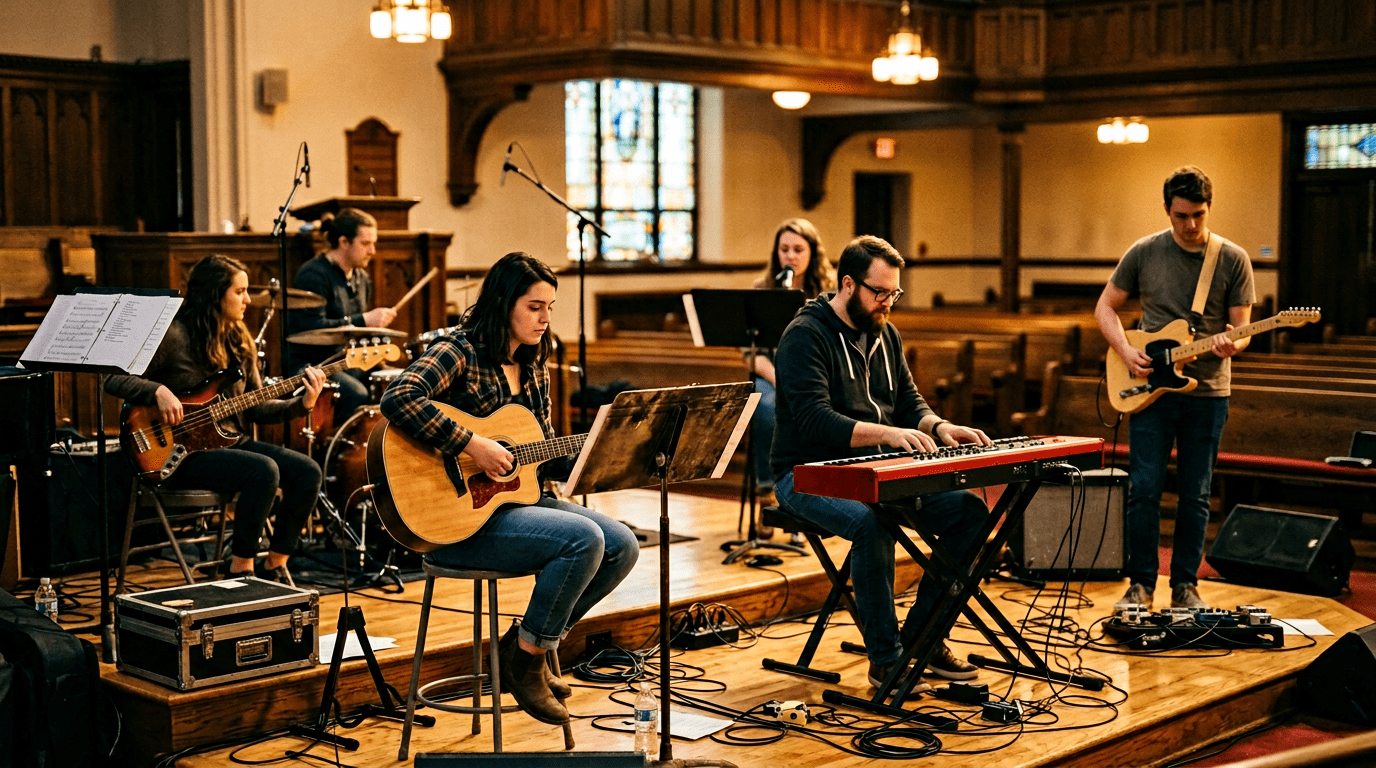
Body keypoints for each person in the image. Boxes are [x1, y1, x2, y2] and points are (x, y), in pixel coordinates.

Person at [379, 251, 639, 726]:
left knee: (623, 545)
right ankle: (527, 662)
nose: (545, 319)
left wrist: (606, 448)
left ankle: (525, 647)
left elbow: (539, 452)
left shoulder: (534, 362)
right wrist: (472, 443)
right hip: (459, 521)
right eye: (535, 307)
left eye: (550, 308)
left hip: (521, 503)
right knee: (586, 540)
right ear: (504, 303)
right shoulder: (459, 350)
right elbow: (398, 397)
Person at [771, 235, 992, 693]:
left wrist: (937, 426)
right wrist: (889, 434)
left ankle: (924, 637)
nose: (888, 303)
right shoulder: (804, 335)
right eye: (880, 293)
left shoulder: (885, 332)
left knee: (970, 512)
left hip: (880, 474)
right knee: (871, 524)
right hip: (808, 475)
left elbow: (908, 402)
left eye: (895, 294)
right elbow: (814, 421)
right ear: (848, 284)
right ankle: (887, 660)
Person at [106, 254, 326, 585]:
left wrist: (302, 404)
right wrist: (157, 391)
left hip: (227, 440)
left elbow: (255, 408)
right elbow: (114, 379)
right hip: (177, 454)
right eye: (240, 292)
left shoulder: (240, 341)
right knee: (262, 471)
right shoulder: (174, 336)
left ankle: (275, 564)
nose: (248, 300)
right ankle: (241, 568)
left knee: (307, 471)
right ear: (214, 294)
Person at [1096, 166, 1255, 612]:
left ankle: (1186, 584)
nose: (1190, 225)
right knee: (1144, 488)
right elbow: (1105, 308)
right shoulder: (1144, 252)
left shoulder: (1232, 258)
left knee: (1196, 492)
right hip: (1149, 389)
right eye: (1181, 215)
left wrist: (1233, 344)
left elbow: (1243, 328)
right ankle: (1140, 583)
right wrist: (1126, 351)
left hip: (1207, 393)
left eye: (1198, 216)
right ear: (1167, 209)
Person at [749, 218, 835, 509]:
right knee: (765, 405)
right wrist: (780, 379)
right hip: (771, 373)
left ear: (812, 252)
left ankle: (819, 487)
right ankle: (767, 490)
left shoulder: (828, 292)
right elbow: (753, 353)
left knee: (821, 407)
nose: (791, 256)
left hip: (817, 374)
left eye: (798, 249)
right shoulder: (763, 289)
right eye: (784, 249)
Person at [288, 208, 398, 422]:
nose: (373, 251)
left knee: (396, 385)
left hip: (348, 360)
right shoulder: (313, 275)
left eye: (373, 243)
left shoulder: (362, 278)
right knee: (356, 393)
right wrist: (364, 320)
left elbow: (357, 332)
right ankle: (338, 453)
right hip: (314, 364)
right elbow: (311, 327)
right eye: (366, 244)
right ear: (344, 242)